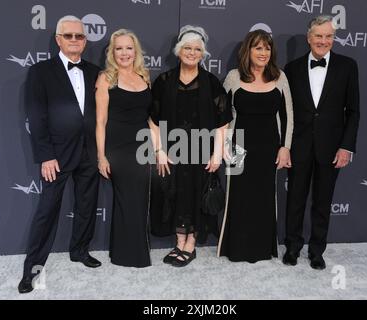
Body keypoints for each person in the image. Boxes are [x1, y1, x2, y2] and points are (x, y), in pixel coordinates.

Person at [19, 15, 101, 294]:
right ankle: (33, 267)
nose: (75, 40)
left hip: (89, 152)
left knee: (87, 205)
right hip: (57, 155)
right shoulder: (40, 72)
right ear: (58, 39)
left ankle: (80, 250)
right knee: (47, 211)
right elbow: (36, 116)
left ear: (85, 40)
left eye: (79, 36)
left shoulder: (95, 71)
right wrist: (45, 155)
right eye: (69, 36)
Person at [149, 25, 233, 267]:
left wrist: (217, 154)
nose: (192, 52)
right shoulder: (164, 81)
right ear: (178, 51)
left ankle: (191, 245)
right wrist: (159, 151)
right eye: (187, 47)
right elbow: (152, 121)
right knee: (175, 194)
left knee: (196, 194)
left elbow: (222, 123)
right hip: (172, 152)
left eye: (197, 49)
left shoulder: (211, 82)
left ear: (203, 53)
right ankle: (179, 241)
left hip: (202, 152)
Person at [283, 15, 360, 270]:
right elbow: (286, 111)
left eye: (329, 36)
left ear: (333, 39)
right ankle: (292, 247)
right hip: (299, 145)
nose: (323, 41)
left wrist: (346, 146)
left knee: (323, 202)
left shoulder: (347, 66)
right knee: (295, 199)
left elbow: (354, 111)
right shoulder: (292, 68)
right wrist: (285, 145)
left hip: (331, 147)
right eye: (319, 36)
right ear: (309, 38)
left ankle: (317, 251)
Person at [217, 30, 294, 262]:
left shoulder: (279, 77)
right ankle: (237, 248)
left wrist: (285, 147)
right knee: (239, 197)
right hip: (238, 146)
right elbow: (222, 113)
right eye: (258, 47)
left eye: (267, 48)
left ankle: (262, 248)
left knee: (264, 197)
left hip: (269, 147)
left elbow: (288, 114)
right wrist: (222, 145)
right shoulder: (233, 76)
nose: (263, 53)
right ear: (248, 50)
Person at [95, 29, 152, 268]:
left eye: (129, 48)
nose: (124, 53)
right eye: (119, 48)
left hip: (143, 146)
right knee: (127, 199)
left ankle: (129, 251)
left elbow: (150, 119)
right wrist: (101, 156)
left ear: (135, 51)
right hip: (119, 148)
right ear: (112, 52)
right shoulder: (106, 79)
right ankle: (129, 255)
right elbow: (100, 121)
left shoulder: (144, 77)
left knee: (138, 200)